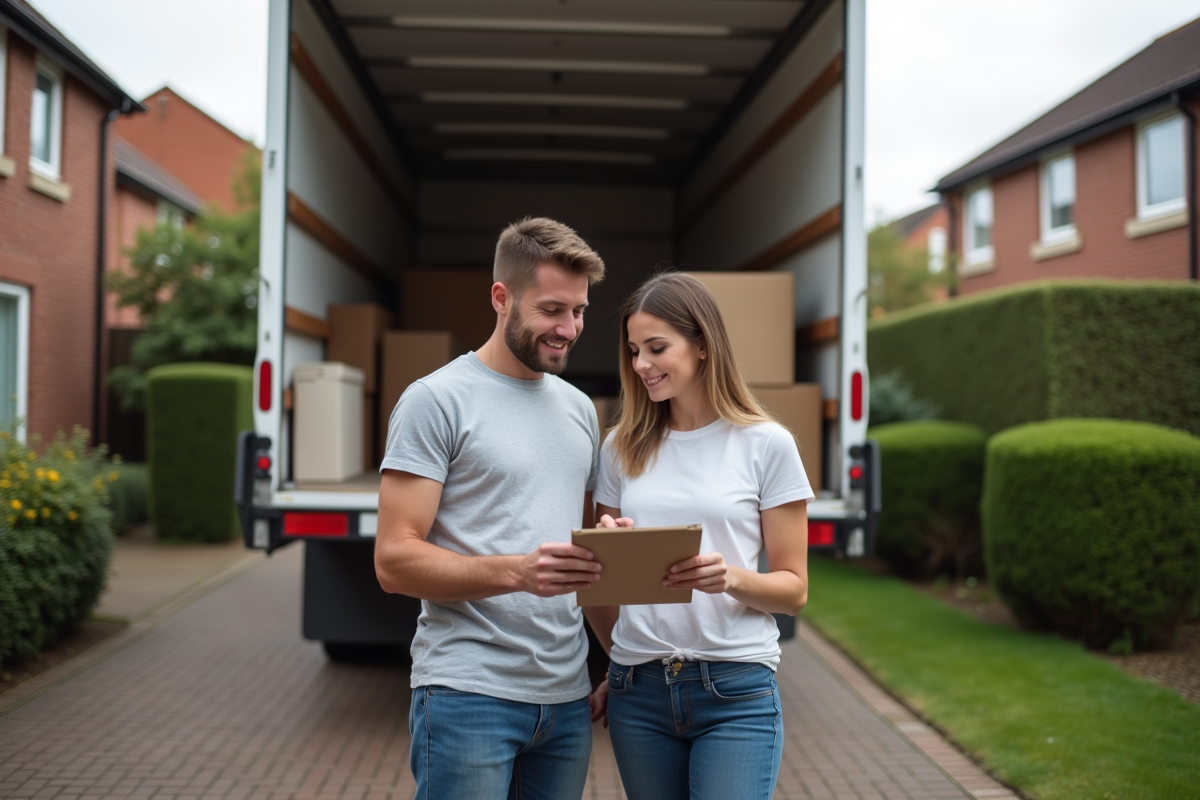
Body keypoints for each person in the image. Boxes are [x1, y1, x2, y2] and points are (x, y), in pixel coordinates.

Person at [374, 217, 611, 800]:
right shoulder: (435, 401)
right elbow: (393, 560)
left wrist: (619, 659)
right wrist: (518, 572)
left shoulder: (581, 410)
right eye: (553, 309)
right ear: (501, 298)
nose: (569, 328)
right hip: (466, 694)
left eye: (579, 311)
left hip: (564, 699)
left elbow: (582, 551)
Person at [588, 272, 812, 800]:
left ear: (703, 345)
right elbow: (598, 587)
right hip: (637, 692)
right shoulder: (621, 447)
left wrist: (729, 577)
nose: (641, 364)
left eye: (657, 347)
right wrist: (612, 556)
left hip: (734, 690)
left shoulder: (767, 445)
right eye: (634, 350)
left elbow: (795, 590)